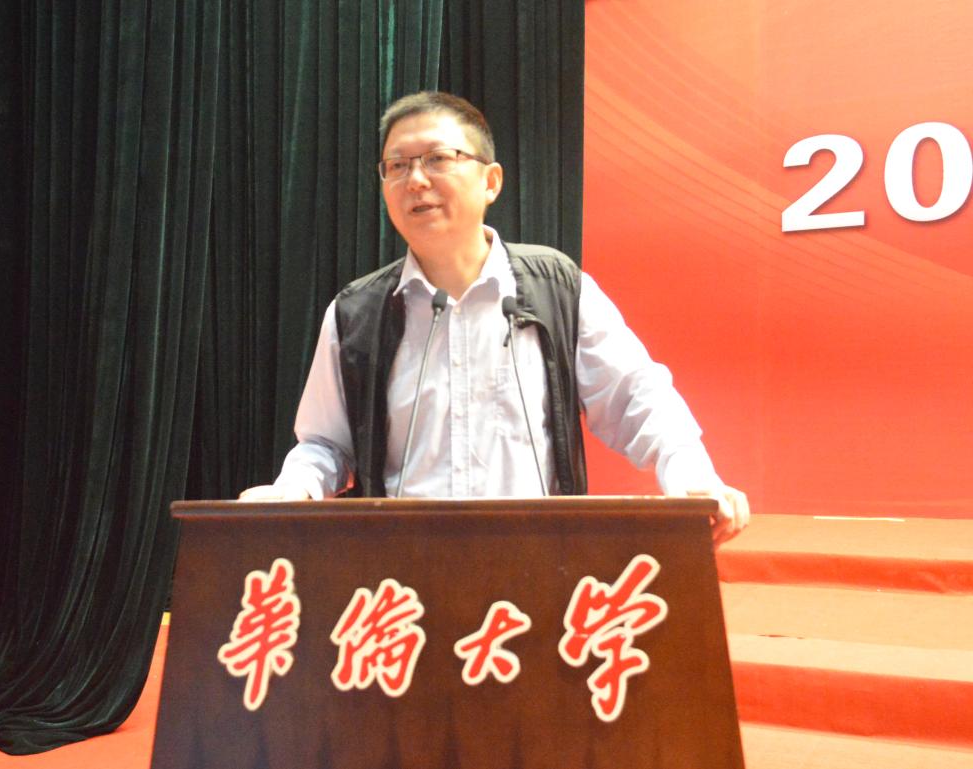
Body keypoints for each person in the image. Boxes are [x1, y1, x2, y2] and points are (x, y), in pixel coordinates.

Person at [239, 91, 749, 545]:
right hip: (403, 568)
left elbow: (635, 397)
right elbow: (327, 444)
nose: (416, 180)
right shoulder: (357, 312)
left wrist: (690, 472)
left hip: (537, 561)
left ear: (491, 181)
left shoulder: (556, 287)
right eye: (397, 165)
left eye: (438, 158)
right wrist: (292, 489)